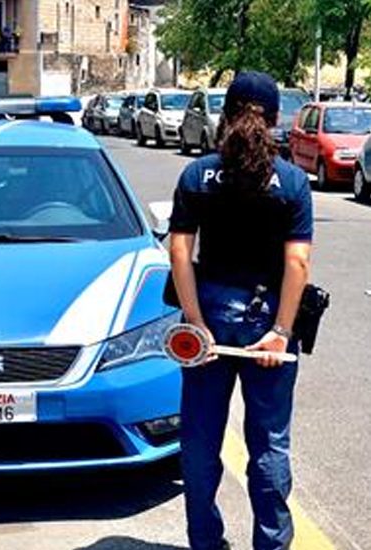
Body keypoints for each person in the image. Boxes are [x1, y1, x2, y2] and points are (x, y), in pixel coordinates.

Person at [168, 72, 313, 550]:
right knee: (269, 443)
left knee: (200, 441)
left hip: (208, 311)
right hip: (267, 314)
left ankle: (206, 542)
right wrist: (279, 331)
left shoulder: (197, 175)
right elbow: (297, 262)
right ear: (273, 121)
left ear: (225, 115)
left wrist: (195, 322)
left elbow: (179, 254)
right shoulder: (291, 182)